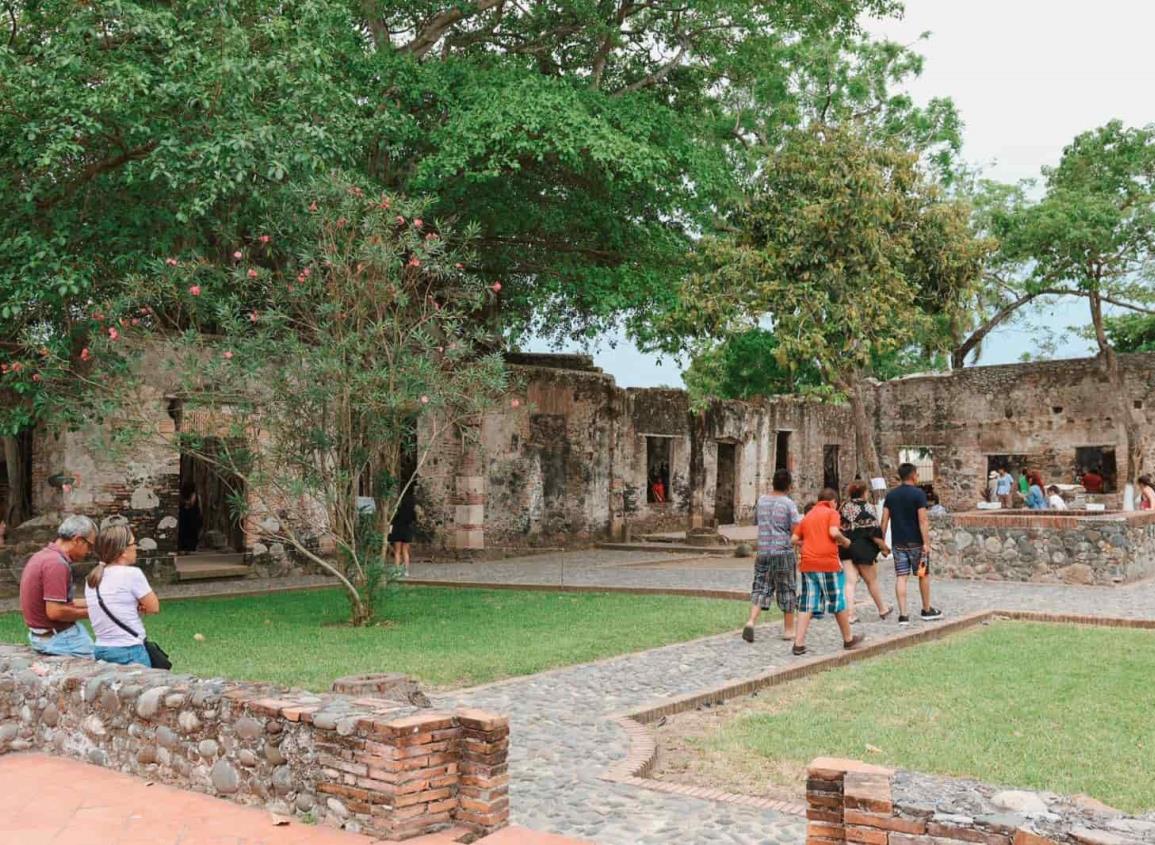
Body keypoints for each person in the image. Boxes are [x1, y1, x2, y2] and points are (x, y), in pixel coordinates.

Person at [790, 488, 864, 655]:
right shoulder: (832, 513)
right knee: (837, 601)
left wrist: (806, 544)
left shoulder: (808, 516)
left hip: (808, 564)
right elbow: (833, 532)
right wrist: (845, 542)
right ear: (833, 502)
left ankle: (798, 643)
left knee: (807, 603)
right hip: (827, 563)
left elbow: (794, 539)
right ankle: (848, 639)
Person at [19, 515, 97, 657]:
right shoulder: (56, 564)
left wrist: (98, 602)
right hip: (58, 639)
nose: (89, 552)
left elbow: (63, 603)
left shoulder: (43, 556)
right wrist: (98, 612)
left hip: (43, 636)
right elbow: (55, 612)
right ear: (78, 540)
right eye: (90, 546)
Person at [84, 524, 160, 667]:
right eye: (133, 543)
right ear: (123, 551)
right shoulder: (132, 574)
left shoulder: (92, 578)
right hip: (129, 649)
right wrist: (137, 604)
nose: (136, 547)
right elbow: (154, 607)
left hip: (101, 649)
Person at [743, 469, 801, 644]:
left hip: (763, 550)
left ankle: (751, 621)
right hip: (783, 551)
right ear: (789, 486)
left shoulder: (761, 501)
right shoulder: (789, 504)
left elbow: (757, 522)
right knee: (787, 588)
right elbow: (795, 530)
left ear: (772, 483)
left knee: (760, 586)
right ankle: (789, 629)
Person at [881, 464, 943, 625]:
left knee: (901, 577)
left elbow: (884, 520)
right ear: (913, 475)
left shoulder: (891, 495)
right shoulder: (918, 494)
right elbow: (923, 520)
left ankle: (903, 615)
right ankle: (926, 609)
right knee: (923, 575)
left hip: (898, 543)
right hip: (917, 543)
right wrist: (926, 542)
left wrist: (881, 543)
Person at [838, 481, 893, 624]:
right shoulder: (868, 508)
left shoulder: (844, 506)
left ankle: (850, 614)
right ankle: (882, 608)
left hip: (845, 547)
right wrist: (884, 547)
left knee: (850, 582)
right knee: (871, 580)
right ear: (864, 493)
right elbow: (874, 532)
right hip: (863, 549)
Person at [389, 488, 417, 576]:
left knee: (397, 552)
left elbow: (392, 521)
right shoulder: (412, 512)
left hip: (397, 531)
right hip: (407, 531)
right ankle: (406, 571)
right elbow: (414, 521)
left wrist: (389, 533)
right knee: (405, 552)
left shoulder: (398, 511)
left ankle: (397, 571)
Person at [177, 483, 202, 553]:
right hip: (189, 518)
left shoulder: (193, 496)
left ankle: (187, 547)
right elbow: (200, 509)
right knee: (188, 533)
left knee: (188, 533)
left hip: (189, 518)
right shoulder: (196, 496)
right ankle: (189, 548)